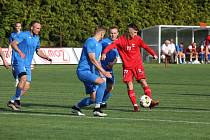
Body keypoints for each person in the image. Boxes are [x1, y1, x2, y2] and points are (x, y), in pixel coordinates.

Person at [102, 23, 159, 112]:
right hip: (127, 67)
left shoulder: (138, 39)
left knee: (143, 82)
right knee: (129, 85)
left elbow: (145, 46)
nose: (136, 34)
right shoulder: (120, 40)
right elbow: (110, 46)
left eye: (137, 33)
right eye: (135, 32)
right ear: (129, 32)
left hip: (138, 65)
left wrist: (153, 54)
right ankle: (135, 106)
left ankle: (150, 101)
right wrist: (104, 53)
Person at [7, 21, 52, 110]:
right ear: (32, 27)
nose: (39, 30)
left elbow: (38, 51)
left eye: (39, 28)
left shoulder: (37, 38)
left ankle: (12, 101)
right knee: (23, 78)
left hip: (27, 63)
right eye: (37, 28)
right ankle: (17, 100)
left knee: (27, 86)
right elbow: (13, 44)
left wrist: (46, 57)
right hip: (19, 61)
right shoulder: (24, 35)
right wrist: (20, 52)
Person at [71, 26, 112, 117]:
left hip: (91, 72)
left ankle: (76, 107)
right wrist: (104, 72)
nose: (103, 37)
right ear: (101, 34)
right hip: (83, 71)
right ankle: (97, 109)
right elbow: (92, 59)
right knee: (102, 83)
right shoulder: (90, 41)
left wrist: (102, 72)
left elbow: (97, 61)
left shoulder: (99, 44)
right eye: (103, 35)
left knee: (93, 98)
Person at [100, 26, 119, 108]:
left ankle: (102, 101)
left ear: (117, 34)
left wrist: (113, 63)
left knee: (110, 87)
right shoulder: (103, 42)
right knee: (102, 85)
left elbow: (116, 58)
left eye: (114, 33)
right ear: (108, 34)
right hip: (101, 68)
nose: (113, 35)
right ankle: (99, 102)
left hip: (109, 68)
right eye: (111, 33)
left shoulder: (119, 43)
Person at [8, 22, 23, 86]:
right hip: (14, 54)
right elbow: (10, 44)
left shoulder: (23, 34)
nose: (18, 27)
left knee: (20, 67)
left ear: (21, 27)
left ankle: (19, 80)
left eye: (19, 26)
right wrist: (9, 51)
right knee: (13, 69)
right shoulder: (12, 35)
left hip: (21, 53)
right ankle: (17, 79)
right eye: (17, 26)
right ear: (15, 27)